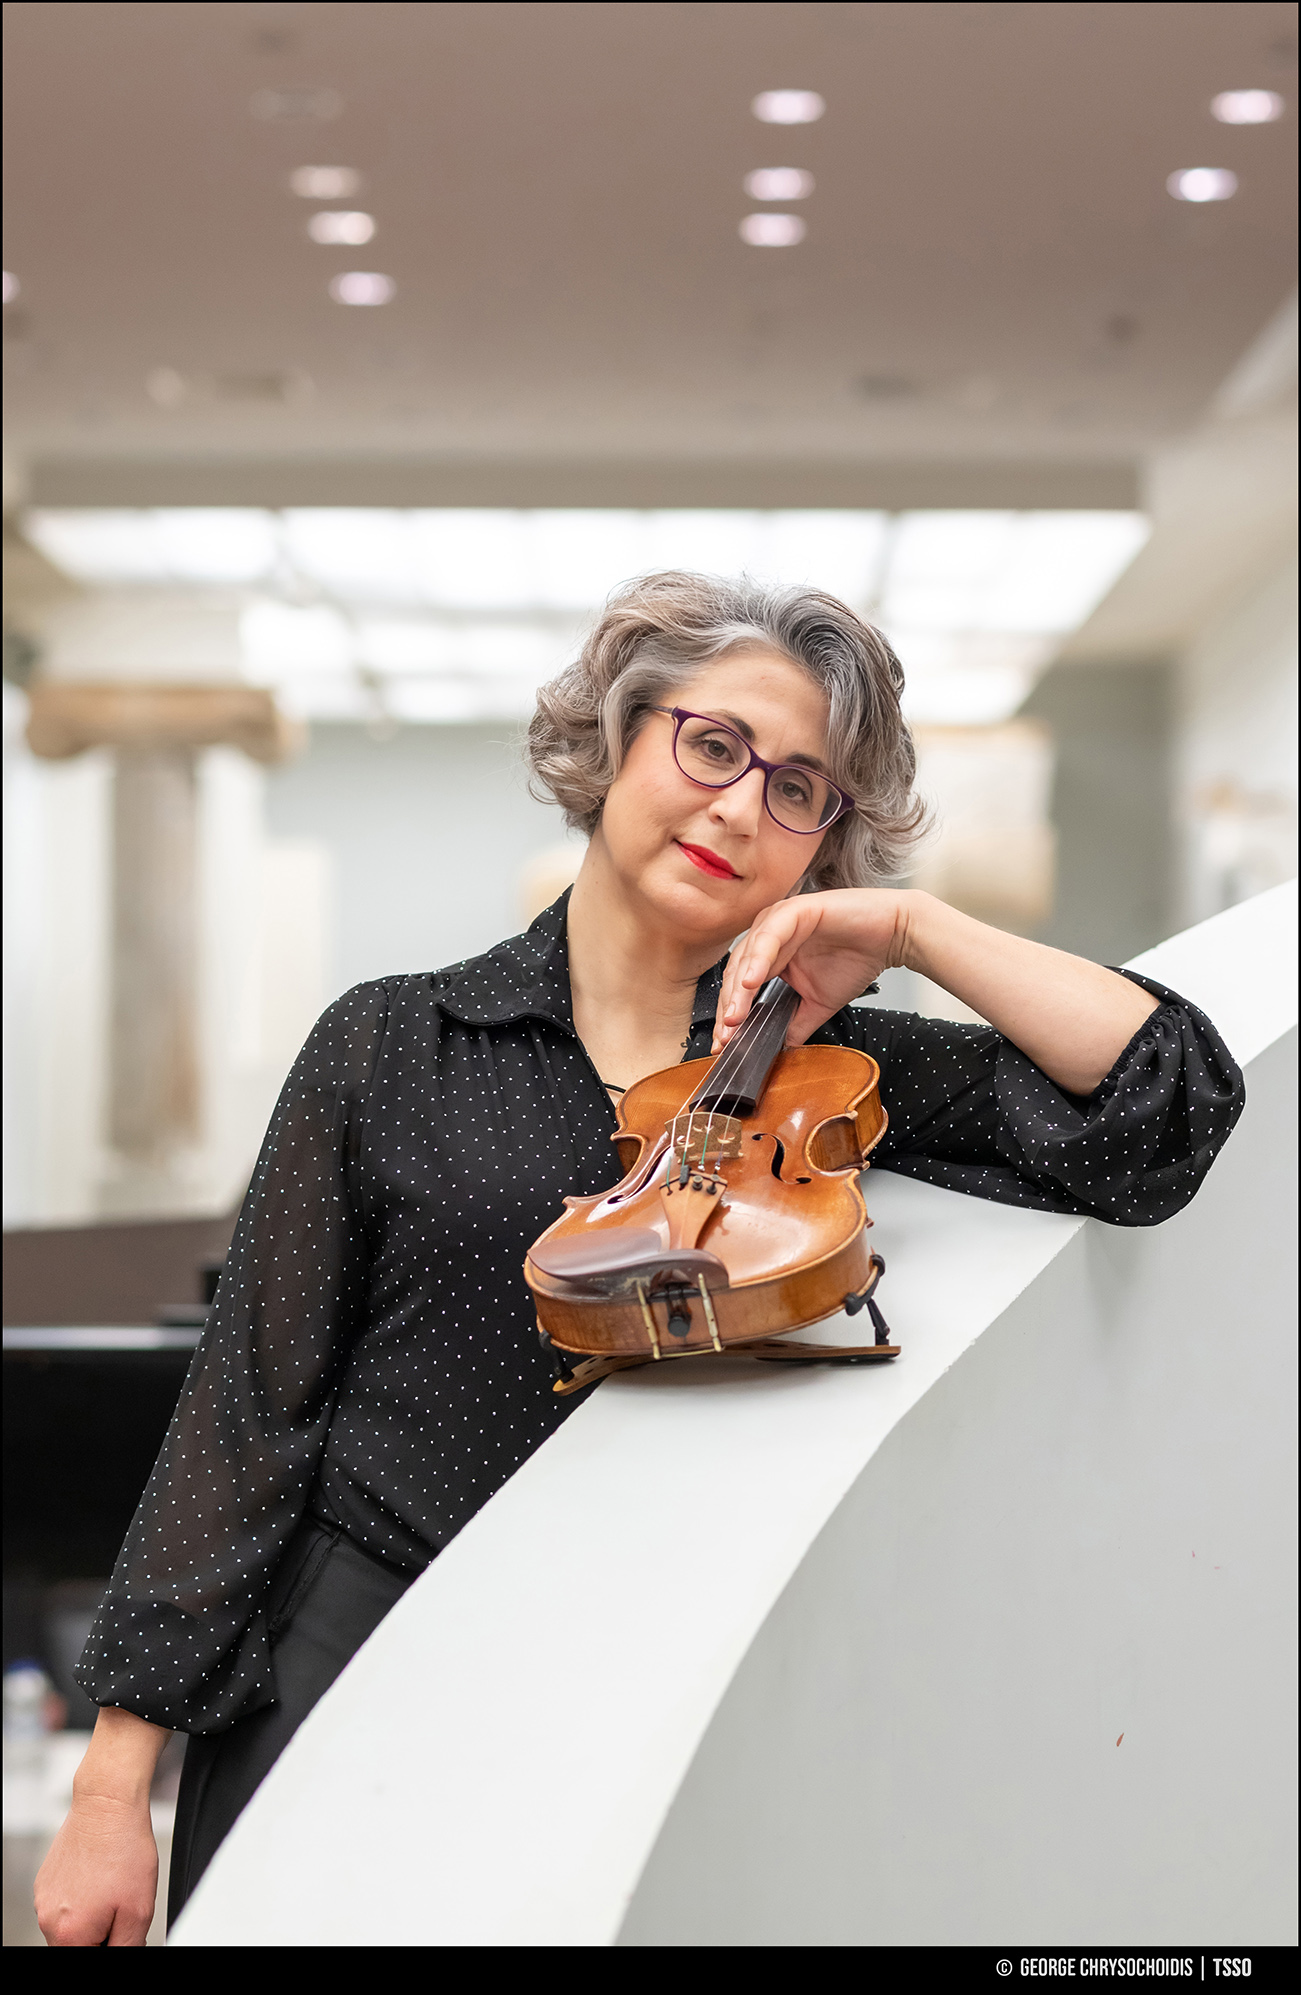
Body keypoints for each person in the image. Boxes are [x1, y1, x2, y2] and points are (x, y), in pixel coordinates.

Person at [35, 573, 1244, 1944]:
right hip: (351, 1656)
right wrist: (111, 1790)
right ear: (615, 741)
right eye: (713, 746)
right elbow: (246, 1416)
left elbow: (1166, 1108)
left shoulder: (838, 1080)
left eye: (800, 790)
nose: (740, 809)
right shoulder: (391, 1042)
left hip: (639, 1704)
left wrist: (914, 928)